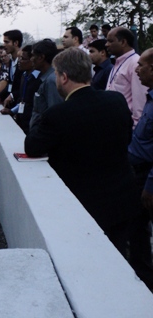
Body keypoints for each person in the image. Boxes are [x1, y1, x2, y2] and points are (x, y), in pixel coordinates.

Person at [25, 48, 139, 257]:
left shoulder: (57, 115)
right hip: (123, 199)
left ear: (64, 77)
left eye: (57, 75)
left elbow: (32, 146)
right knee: (119, 257)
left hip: (83, 206)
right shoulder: (116, 101)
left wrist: (39, 111)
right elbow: (127, 139)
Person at [126, 48, 153, 290]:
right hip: (139, 174)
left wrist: (150, 185)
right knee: (138, 230)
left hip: (148, 178)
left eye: (142, 65)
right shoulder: (150, 97)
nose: (137, 68)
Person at [106, 27, 147, 126]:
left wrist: (136, 129)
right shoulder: (118, 62)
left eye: (110, 41)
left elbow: (140, 100)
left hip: (128, 127)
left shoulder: (135, 63)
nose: (106, 44)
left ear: (123, 42)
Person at [1, 45, 40, 134]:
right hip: (23, 120)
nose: (19, 61)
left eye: (23, 58)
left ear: (32, 60)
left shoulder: (39, 79)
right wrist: (12, 111)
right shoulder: (24, 75)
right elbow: (23, 100)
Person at [28, 39, 63, 130]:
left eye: (33, 55)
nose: (31, 59)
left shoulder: (51, 80)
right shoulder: (46, 78)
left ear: (41, 57)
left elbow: (54, 114)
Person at [2, 29, 23, 101]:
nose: (4, 45)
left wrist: (13, 95)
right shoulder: (11, 61)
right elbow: (11, 84)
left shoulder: (25, 62)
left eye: (6, 42)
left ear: (16, 43)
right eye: (4, 42)